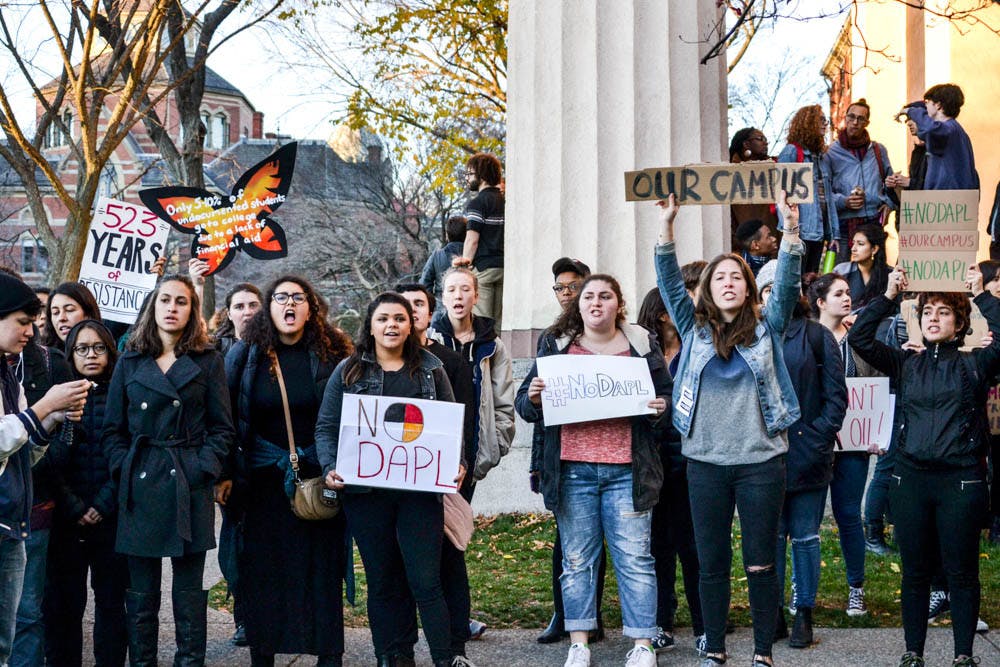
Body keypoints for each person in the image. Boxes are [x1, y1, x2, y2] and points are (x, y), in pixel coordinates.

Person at [655, 191, 804, 667]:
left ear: (748, 287)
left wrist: (791, 229)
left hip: (761, 463)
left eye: (736, 276)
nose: (728, 283)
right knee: (712, 564)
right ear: (707, 289)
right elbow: (668, 281)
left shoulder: (768, 327)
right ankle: (715, 647)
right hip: (705, 464)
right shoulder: (693, 329)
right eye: (719, 277)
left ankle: (762, 652)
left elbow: (787, 282)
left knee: (761, 562)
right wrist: (666, 225)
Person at [516, 274, 670, 667]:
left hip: (628, 472)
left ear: (619, 304)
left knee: (635, 560)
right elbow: (525, 405)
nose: (596, 302)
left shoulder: (641, 345)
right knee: (577, 561)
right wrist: (534, 397)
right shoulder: (557, 345)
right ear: (578, 305)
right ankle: (579, 643)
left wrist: (661, 408)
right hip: (573, 472)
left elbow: (666, 396)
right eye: (589, 297)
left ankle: (643, 645)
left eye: (605, 296)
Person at [849, 265, 999, 667]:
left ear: (959, 324)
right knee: (914, 573)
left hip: (961, 481)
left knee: (962, 573)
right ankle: (912, 652)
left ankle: (964, 655)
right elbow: (859, 337)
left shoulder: (975, 364)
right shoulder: (905, 363)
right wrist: (888, 295)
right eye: (927, 311)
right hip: (910, 480)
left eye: (943, 312)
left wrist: (981, 294)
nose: (933, 318)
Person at [316, 292, 465, 667]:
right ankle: (392, 655)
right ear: (370, 326)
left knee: (426, 580)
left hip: (420, 494)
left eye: (399, 318)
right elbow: (327, 427)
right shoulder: (349, 371)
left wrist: (458, 462)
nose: (391, 325)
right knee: (382, 579)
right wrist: (330, 466)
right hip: (366, 494)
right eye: (383, 319)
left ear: (411, 325)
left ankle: (445, 657)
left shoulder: (431, 370)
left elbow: (451, 428)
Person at [102, 274, 234, 666]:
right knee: (141, 596)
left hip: (187, 484)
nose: (172, 308)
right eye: (165, 300)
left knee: (189, 595)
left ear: (192, 310)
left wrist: (201, 468)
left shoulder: (208, 360)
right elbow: (112, 429)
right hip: (140, 485)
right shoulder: (130, 360)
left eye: (181, 301)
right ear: (153, 306)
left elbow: (222, 428)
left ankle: (189, 662)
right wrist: (125, 467)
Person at [225, 276, 352, 666]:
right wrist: (227, 472)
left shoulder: (335, 353)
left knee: (322, 571)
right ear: (268, 308)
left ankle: (328, 655)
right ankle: (263, 655)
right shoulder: (246, 355)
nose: (290, 304)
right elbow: (227, 418)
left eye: (298, 297)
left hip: (319, 479)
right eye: (281, 297)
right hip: (263, 485)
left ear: (311, 308)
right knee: (264, 573)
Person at [0, 273, 90, 667]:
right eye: (23, 322)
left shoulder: (8, 372)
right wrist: (43, 407)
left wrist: (52, 420)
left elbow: (21, 451)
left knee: (11, 635)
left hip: (14, 520)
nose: (32, 331)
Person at [394, 282, 477, 666]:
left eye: (418, 305)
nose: (410, 311)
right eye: (403, 305)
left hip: (440, 480)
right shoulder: (375, 363)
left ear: (429, 314)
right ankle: (402, 646)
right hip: (392, 481)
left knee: (448, 562)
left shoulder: (449, 363)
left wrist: (461, 468)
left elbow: (462, 422)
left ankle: (455, 644)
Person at [765, 268, 848, 648]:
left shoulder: (816, 335)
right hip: (764, 456)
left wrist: (816, 437)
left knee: (804, 536)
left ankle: (803, 612)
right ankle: (773, 611)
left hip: (807, 453)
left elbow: (836, 396)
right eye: (766, 289)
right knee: (770, 538)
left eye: (778, 287)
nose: (773, 295)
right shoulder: (753, 335)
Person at [530, 258, 610, 646]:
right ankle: (563, 614)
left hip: (608, 452)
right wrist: (537, 464)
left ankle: (592, 617)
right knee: (568, 543)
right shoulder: (551, 339)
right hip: (564, 455)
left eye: (574, 286)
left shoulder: (613, 336)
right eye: (560, 288)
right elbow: (536, 408)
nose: (567, 294)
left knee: (604, 543)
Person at [43, 320, 128, 667]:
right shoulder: (56, 397)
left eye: (98, 347)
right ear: (70, 354)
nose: (90, 355)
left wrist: (104, 503)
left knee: (111, 604)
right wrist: (74, 506)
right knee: (64, 607)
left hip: (111, 517)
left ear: (110, 351)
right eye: (82, 348)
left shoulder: (123, 395)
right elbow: (49, 461)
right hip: (67, 519)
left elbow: (126, 456)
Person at [636, 287, 704, 655]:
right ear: (663, 315)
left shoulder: (694, 348)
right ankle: (662, 621)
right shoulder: (642, 356)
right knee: (657, 547)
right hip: (652, 460)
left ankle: (703, 625)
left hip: (689, 460)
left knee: (691, 546)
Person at [429, 267, 515, 490]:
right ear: (443, 298)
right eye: (451, 290)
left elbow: (504, 402)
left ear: (476, 296)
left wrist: (495, 445)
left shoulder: (493, 345)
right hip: (432, 449)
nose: (458, 295)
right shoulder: (429, 341)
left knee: (462, 511)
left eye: (465, 289)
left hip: (473, 448)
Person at [827, 99, 896, 261]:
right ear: (845, 118)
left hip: (873, 222)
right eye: (851, 117)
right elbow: (823, 192)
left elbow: (891, 183)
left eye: (860, 119)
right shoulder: (831, 153)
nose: (855, 122)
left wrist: (889, 203)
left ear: (867, 123)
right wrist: (844, 201)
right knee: (841, 272)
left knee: (876, 272)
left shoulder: (878, 150)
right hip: (844, 226)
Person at [776, 105, 839, 273]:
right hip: (800, 232)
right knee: (796, 279)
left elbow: (828, 198)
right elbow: (780, 195)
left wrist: (833, 234)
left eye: (826, 120)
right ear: (808, 122)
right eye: (821, 119)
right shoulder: (791, 152)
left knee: (811, 278)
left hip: (818, 232)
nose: (825, 124)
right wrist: (790, 231)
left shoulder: (822, 157)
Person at [453, 153, 505, 331]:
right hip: (505, 268)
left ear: (481, 175)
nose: (467, 178)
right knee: (500, 325)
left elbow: (472, 240)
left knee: (482, 324)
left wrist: (464, 268)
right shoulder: (506, 201)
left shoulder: (478, 203)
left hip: (483, 270)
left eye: (470, 174)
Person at [904, 83, 979, 191]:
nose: (925, 106)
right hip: (951, 196)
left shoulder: (948, 129)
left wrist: (910, 110)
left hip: (946, 197)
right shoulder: (955, 130)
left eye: (927, 102)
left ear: (938, 105)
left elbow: (930, 128)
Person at [728, 128, 779, 252]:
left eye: (766, 139)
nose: (765, 143)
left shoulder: (773, 167)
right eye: (760, 139)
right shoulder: (730, 171)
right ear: (746, 144)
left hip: (772, 239)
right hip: (745, 243)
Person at [833, 223, 890, 311]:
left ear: (874, 249)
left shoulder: (889, 275)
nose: (853, 249)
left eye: (860, 244)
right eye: (853, 243)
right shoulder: (841, 271)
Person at [421, 216, 468, 317]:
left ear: (447, 235)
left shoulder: (437, 256)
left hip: (441, 308)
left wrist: (432, 306)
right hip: (469, 308)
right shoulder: (475, 256)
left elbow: (425, 283)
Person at [42, 283, 101, 349]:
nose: (61, 318)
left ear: (88, 314)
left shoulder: (106, 352)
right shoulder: (43, 354)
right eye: (55, 312)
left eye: (69, 310)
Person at [213, 282, 262, 358]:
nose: (247, 312)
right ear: (229, 314)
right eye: (239, 307)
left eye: (253, 305)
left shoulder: (277, 344)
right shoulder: (217, 349)